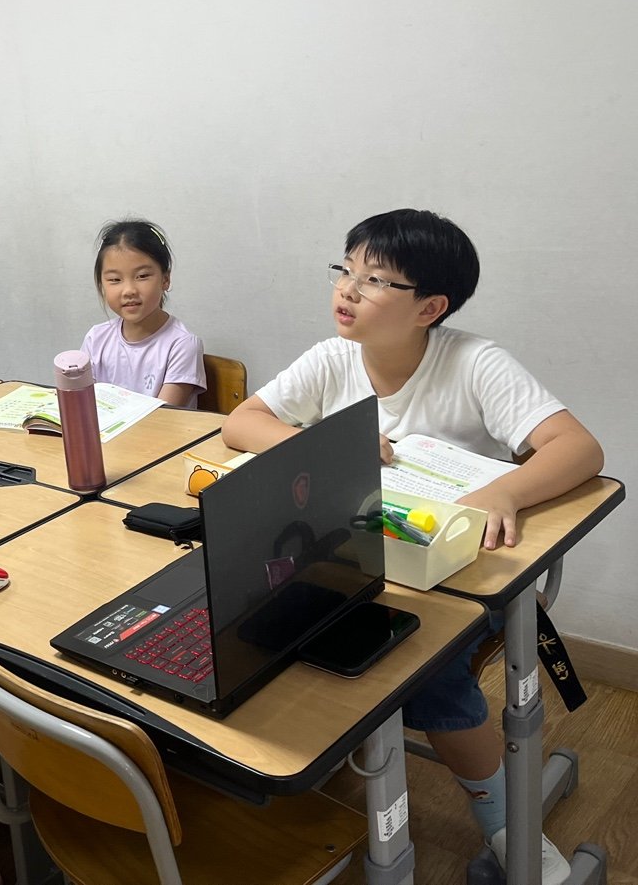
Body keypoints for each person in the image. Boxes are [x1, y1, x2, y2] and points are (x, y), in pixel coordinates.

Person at [223, 207, 602, 884]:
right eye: (345, 269)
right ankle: (318, 767)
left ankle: (507, 827)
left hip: (457, 576)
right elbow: (242, 422)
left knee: (417, 669)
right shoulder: (332, 357)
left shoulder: (474, 362)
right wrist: (324, 448)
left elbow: (580, 448)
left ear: (430, 306)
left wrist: (508, 491)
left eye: (373, 279)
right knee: (264, 624)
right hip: (354, 564)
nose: (347, 288)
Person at [80, 219, 206, 406]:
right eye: (115, 279)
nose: (129, 290)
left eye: (142, 276)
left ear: (165, 279)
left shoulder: (182, 345)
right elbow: (81, 403)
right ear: (101, 284)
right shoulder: (96, 338)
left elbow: (162, 419)